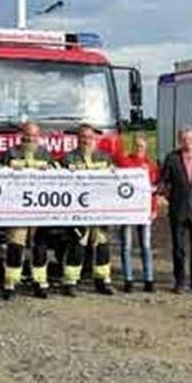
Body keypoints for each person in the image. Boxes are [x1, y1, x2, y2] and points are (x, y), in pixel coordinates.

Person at [0, 121, 57, 300]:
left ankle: (40, 283)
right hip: (17, 211)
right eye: (27, 134)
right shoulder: (11, 153)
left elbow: (58, 174)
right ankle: (10, 283)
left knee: (40, 248)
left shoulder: (45, 154)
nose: (30, 138)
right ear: (21, 134)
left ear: (38, 137)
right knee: (15, 247)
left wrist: (51, 169)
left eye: (33, 135)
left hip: (40, 211)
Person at [62, 123, 116, 296]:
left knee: (102, 245)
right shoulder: (68, 159)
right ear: (77, 139)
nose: (86, 140)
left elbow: (114, 181)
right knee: (77, 245)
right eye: (83, 137)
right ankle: (70, 282)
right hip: (78, 212)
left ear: (95, 139)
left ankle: (103, 281)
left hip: (100, 211)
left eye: (89, 137)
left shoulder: (105, 158)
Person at [161, 126, 192, 294]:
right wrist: (166, 196)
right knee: (178, 249)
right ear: (179, 141)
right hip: (178, 210)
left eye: (190, 139)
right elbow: (164, 181)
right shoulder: (172, 158)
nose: (187, 142)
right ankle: (180, 281)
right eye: (184, 139)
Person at [117, 133, 159, 293]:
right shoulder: (125, 162)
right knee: (126, 246)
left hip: (144, 211)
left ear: (146, 147)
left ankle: (149, 279)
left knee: (145, 246)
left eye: (141, 146)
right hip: (127, 211)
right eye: (136, 145)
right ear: (133, 146)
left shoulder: (151, 166)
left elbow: (153, 190)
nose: (139, 148)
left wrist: (154, 209)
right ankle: (128, 279)